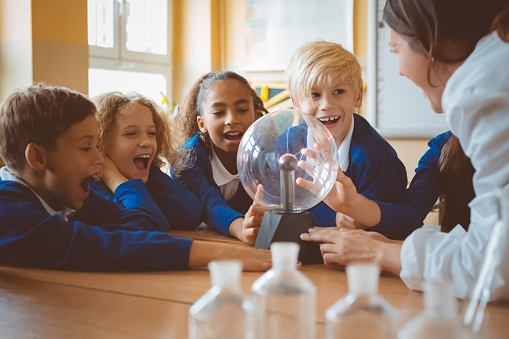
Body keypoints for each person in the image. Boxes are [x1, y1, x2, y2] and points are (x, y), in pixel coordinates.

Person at [301, 0, 509, 300]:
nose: (398, 70)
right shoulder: (451, 138)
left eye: (395, 47)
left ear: (429, 39)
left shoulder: (481, 93)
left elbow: (491, 266)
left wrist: (379, 251)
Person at [0, 85, 271, 271]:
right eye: (86, 148)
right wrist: (225, 255)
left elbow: (147, 227)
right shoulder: (7, 210)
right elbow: (104, 247)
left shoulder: (63, 195)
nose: (98, 160)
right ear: (37, 158)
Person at [286, 40, 408, 239]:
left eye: (338, 92)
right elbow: (280, 205)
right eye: (315, 95)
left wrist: (356, 218)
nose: (326, 105)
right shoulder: (286, 144)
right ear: (296, 103)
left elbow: (389, 226)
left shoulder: (377, 159)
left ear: (358, 96)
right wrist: (332, 217)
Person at [176, 71, 269, 245]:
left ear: (257, 117)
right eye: (219, 112)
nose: (231, 120)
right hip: (204, 243)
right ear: (202, 123)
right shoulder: (186, 159)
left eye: (242, 110)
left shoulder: (267, 153)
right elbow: (208, 203)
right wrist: (241, 229)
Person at [90, 91, 203, 230]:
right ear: (101, 142)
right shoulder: (93, 190)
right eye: (131, 134)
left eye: (151, 133)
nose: (146, 142)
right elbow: (150, 227)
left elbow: (191, 214)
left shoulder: (146, 177)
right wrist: (112, 177)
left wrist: (149, 170)